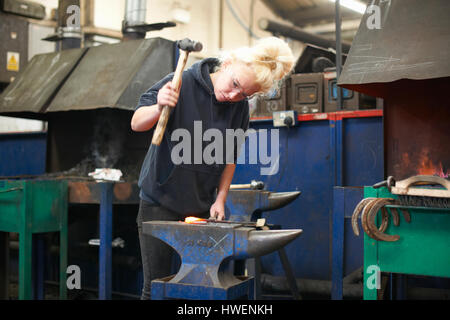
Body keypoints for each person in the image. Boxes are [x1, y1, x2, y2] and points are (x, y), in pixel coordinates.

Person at [131, 36, 295, 300]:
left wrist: (220, 199)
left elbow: (230, 157)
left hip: (199, 207)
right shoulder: (179, 82)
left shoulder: (239, 108)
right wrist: (159, 105)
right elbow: (137, 123)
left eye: (244, 94)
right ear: (227, 63)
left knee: (195, 289)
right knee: (155, 289)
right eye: (235, 85)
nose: (233, 96)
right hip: (159, 203)